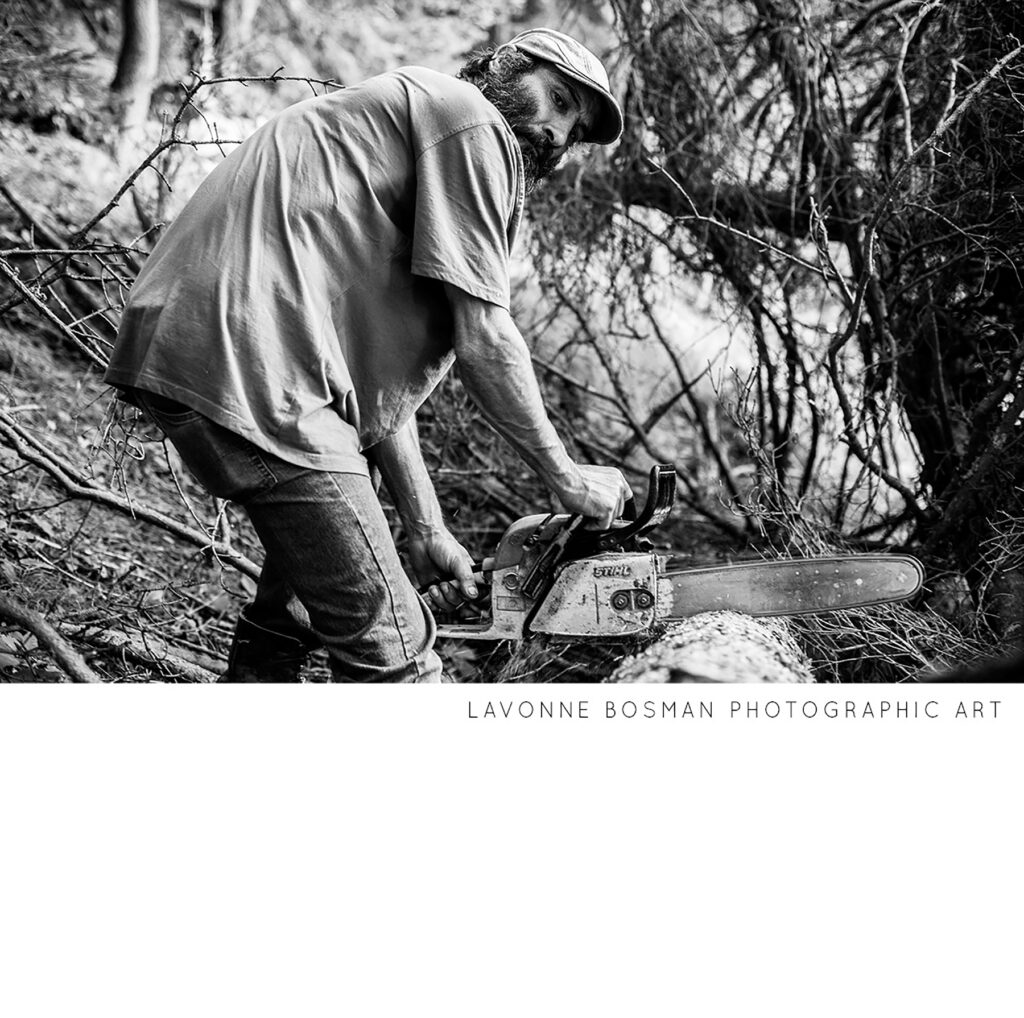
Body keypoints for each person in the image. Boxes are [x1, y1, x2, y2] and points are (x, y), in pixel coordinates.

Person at [105, 28, 633, 682]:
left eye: (571, 126)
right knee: (399, 661)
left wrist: (426, 525)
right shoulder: (473, 123)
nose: (555, 131)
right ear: (503, 65)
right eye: (555, 98)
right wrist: (569, 478)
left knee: (294, 604)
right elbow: (486, 335)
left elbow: (376, 386)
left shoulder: (409, 127)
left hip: (213, 343)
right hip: (252, 356)